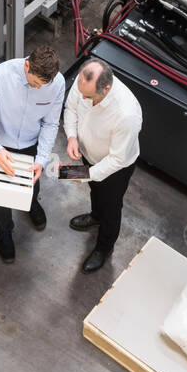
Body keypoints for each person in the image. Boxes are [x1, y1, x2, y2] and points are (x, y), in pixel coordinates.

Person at [0, 44, 64, 263]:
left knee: (32, 181)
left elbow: (51, 124)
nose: (39, 89)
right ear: (27, 65)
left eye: (44, 85)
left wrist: (41, 159)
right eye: (35, 83)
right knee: (1, 195)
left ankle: (32, 203)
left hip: (31, 142)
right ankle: (4, 231)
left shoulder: (56, 84)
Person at [63, 58, 142, 273]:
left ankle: (104, 247)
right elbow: (70, 108)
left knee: (111, 206)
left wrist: (83, 173)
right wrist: (71, 137)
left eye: (87, 96)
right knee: (95, 190)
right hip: (89, 155)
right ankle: (95, 216)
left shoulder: (126, 114)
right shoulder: (83, 86)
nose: (82, 97)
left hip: (115, 169)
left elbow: (117, 159)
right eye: (80, 91)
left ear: (106, 88)